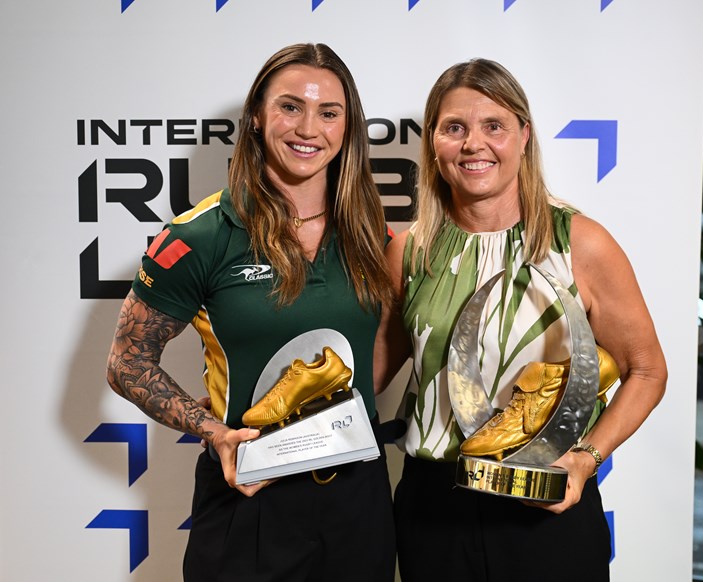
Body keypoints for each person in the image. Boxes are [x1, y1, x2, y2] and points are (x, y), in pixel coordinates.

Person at [106, 43, 396, 582]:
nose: (308, 128)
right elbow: (126, 362)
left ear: (348, 127)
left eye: (328, 113)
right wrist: (212, 430)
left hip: (358, 500)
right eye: (290, 107)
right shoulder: (198, 235)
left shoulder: (370, 235)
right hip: (251, 495)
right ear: (258, 118)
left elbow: (385, 343)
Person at [374, 58, 668, 581]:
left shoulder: (579, 242)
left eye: (494, 126)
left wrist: (584, 459)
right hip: (432, 507)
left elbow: (646, 370)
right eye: (454, 128)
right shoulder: (409, 251)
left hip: (544, 501)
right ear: (434, 142)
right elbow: (369, 373)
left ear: (524, 136)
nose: (473, 144)